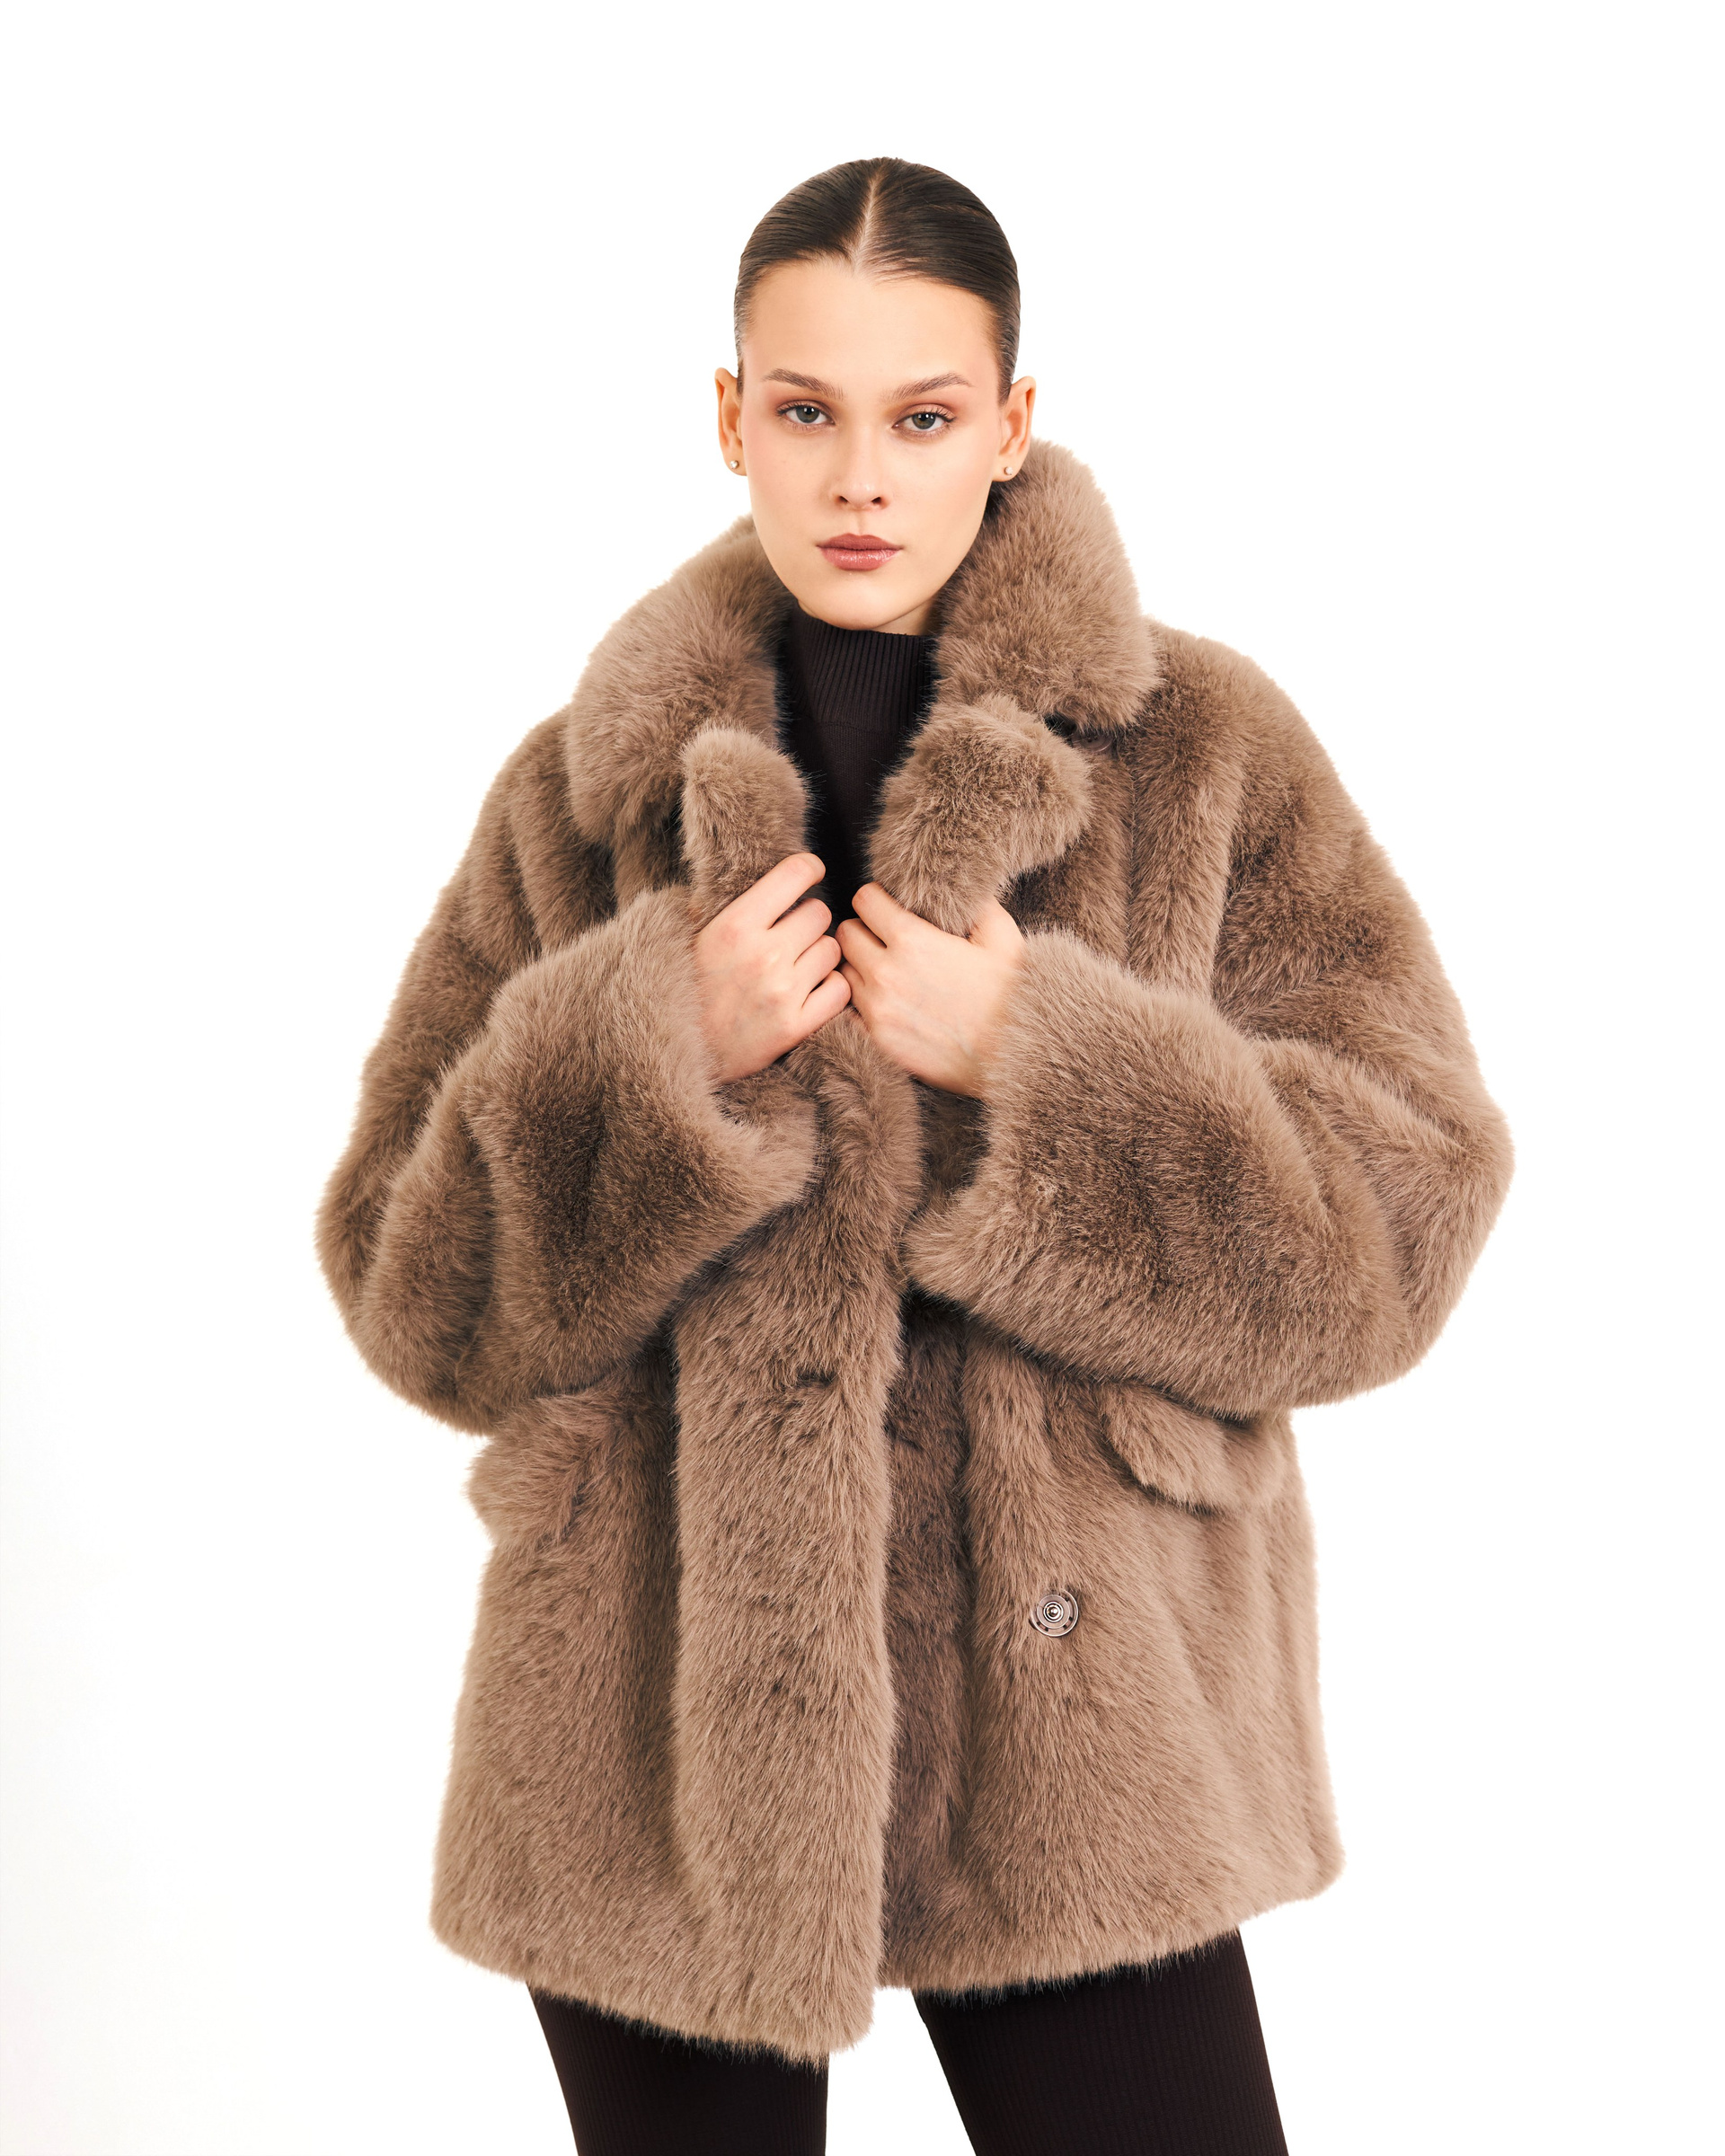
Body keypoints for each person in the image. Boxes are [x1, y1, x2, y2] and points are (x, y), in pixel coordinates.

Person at [316, 157, 1514, 2154]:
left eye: (925, 415)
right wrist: (654, 1051)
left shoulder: (1201, 750)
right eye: (808, 410)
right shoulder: (586, 794)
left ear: (1013, 422)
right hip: (658, 1727)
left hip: (1079, 1731)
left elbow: (1403, 1221)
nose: (861, 477)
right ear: (731, 418)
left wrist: (1046, 1064)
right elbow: (407, 1290)